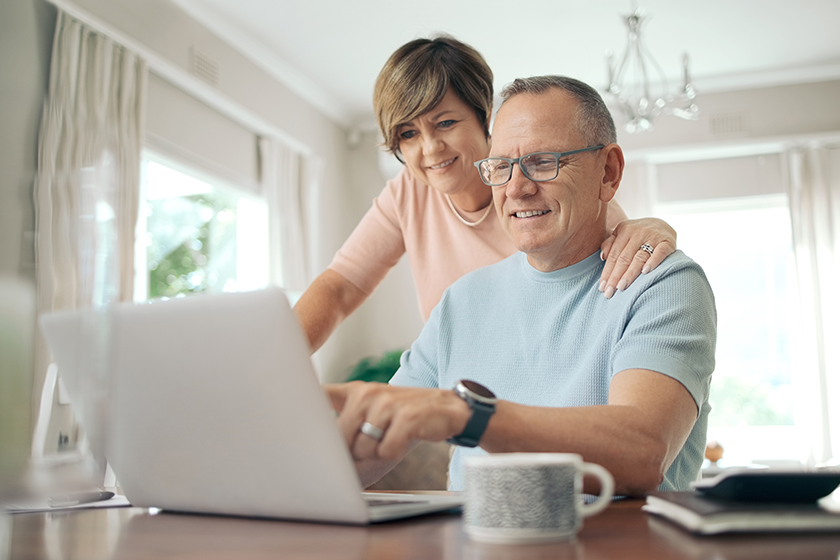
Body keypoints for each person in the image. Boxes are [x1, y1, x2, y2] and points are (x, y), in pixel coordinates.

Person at [326, 75, 717, 496]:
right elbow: (367, 450)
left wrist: (469, 416)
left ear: (608, 171)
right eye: (501, 168)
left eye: (543, 162)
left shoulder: (662, 283)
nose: (516, 188)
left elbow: (643, 452)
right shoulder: (461, 300)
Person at [294, 36, 677, 353]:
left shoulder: (536, 188)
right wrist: (275, 366)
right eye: (408, 134)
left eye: (445, 123)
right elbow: (340, 287)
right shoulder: (408, 193)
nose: (430, 149)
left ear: (484, 116)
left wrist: (654, 227)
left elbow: (625, 237)